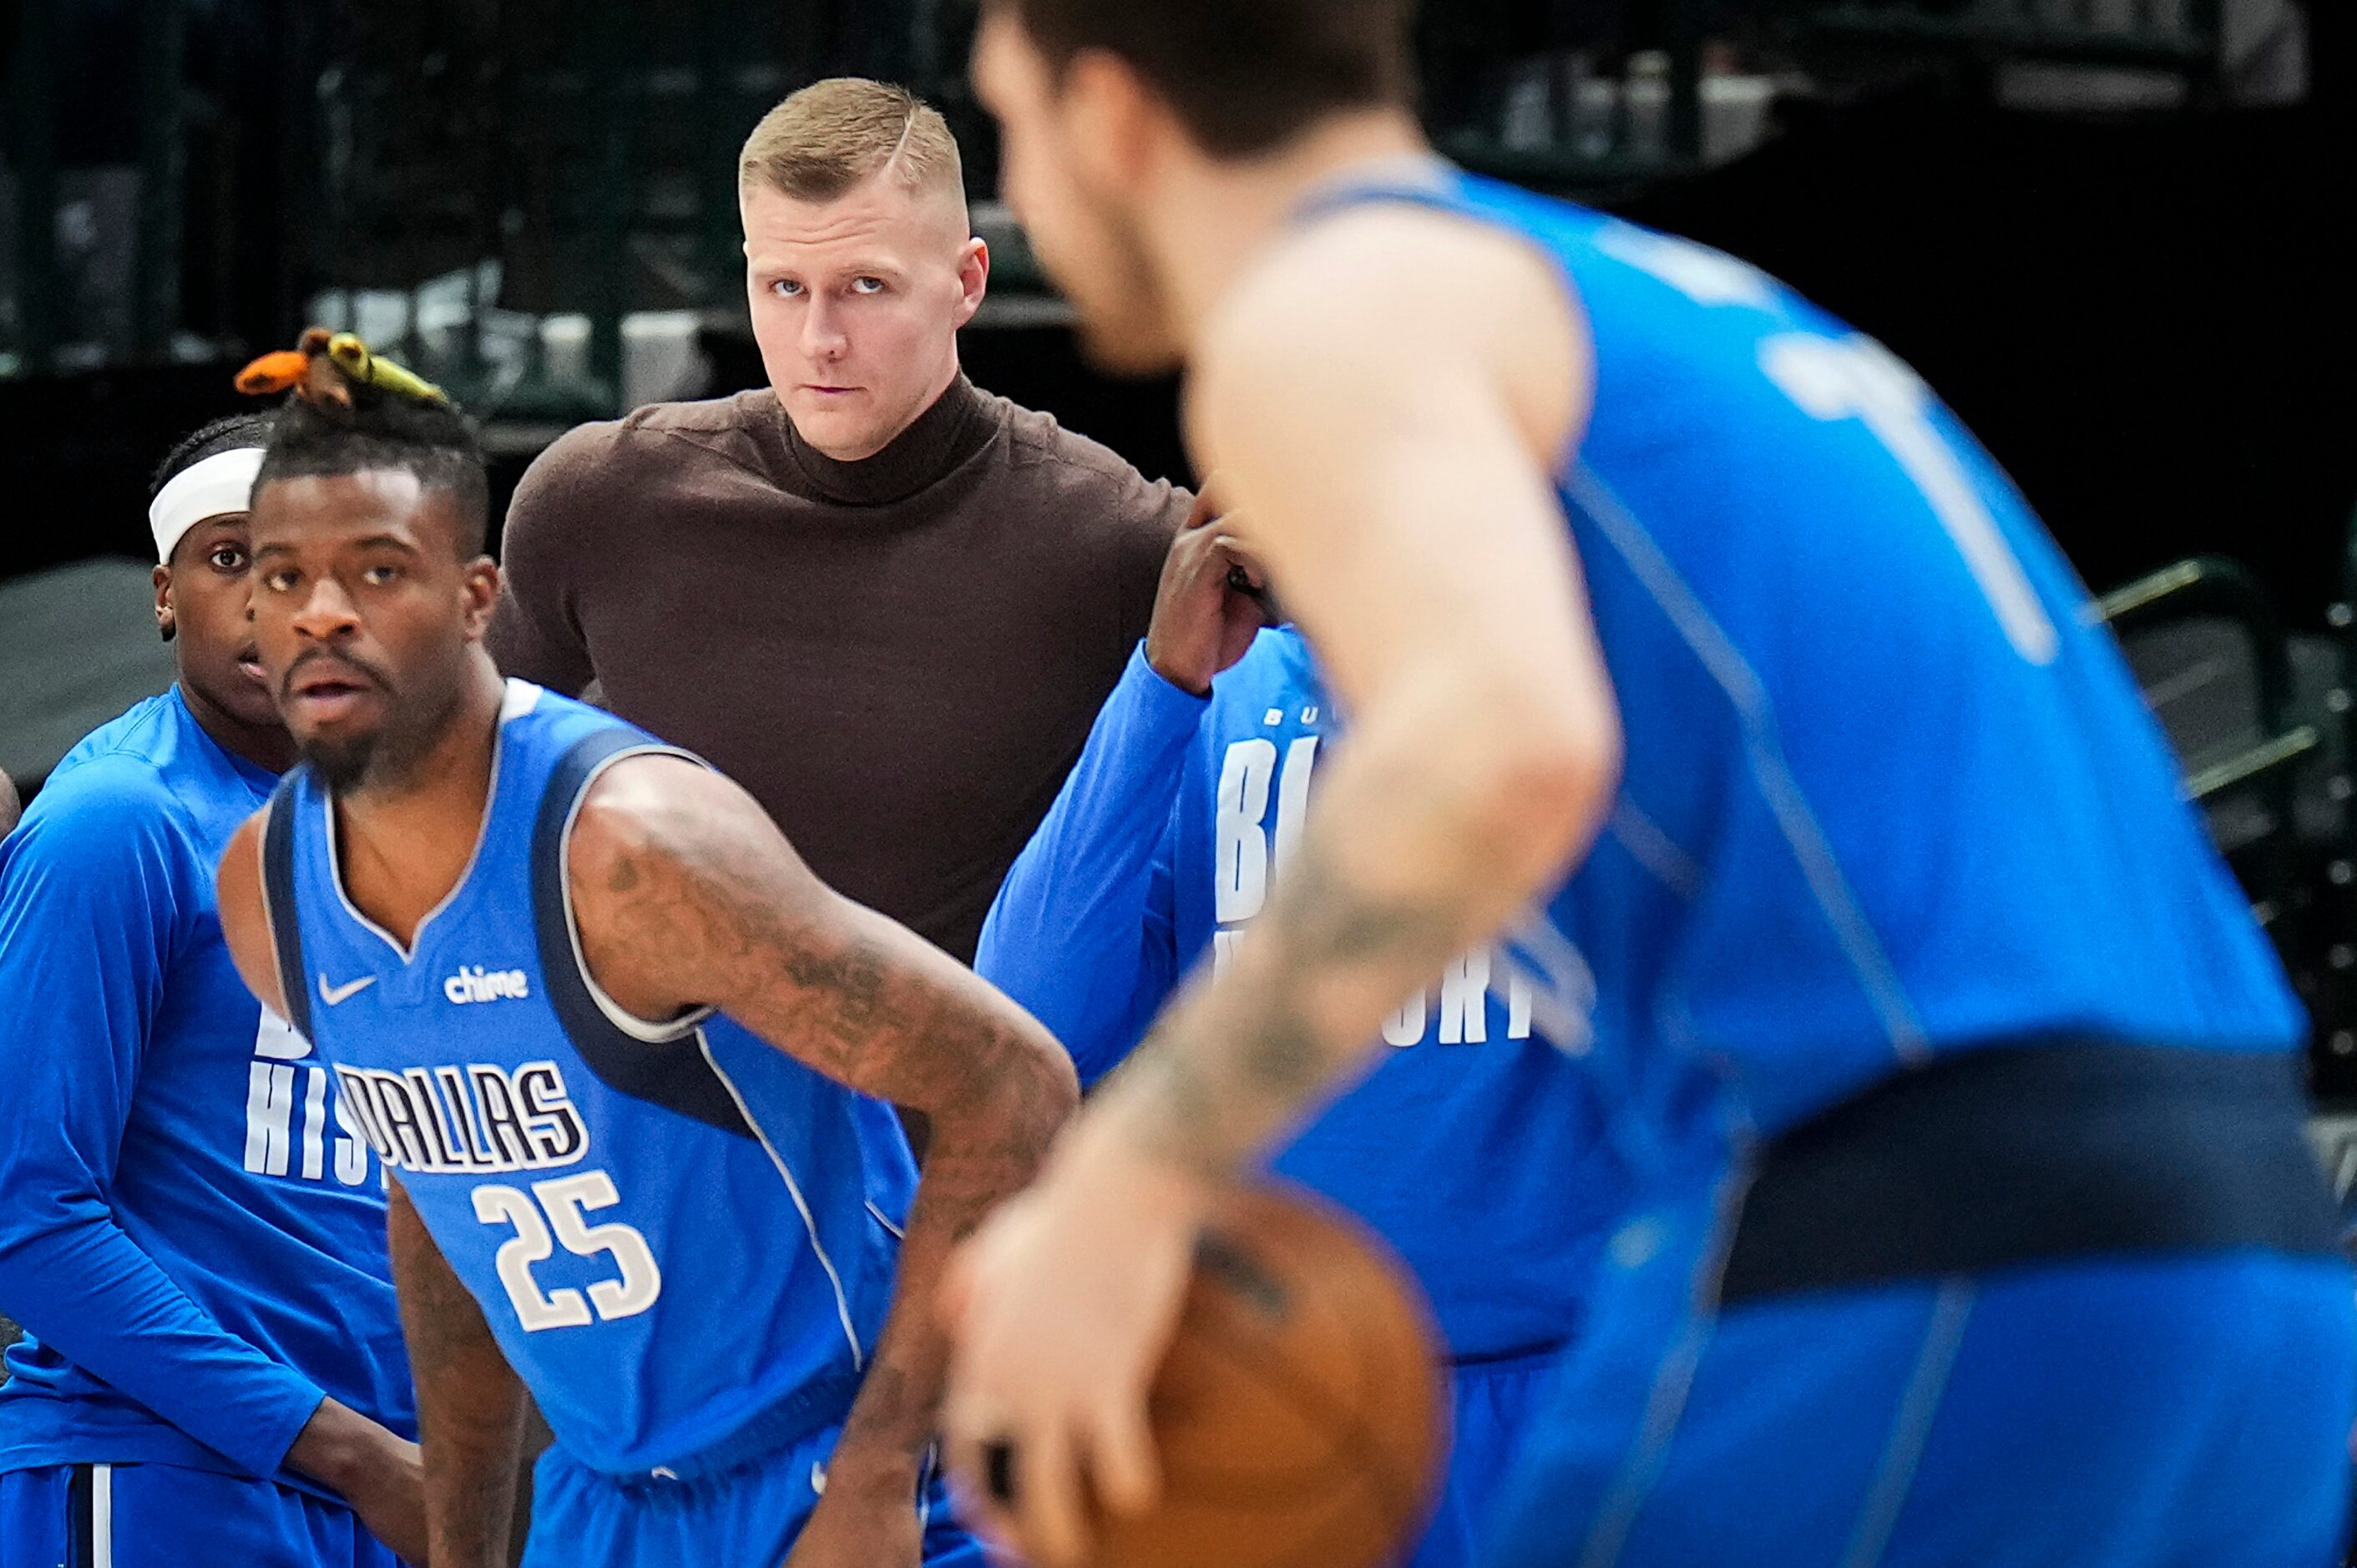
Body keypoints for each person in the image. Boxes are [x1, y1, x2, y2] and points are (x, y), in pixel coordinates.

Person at [943, 3, 2357, 1565]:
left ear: (1111, 116)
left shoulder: (1330, 301)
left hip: (1929, 1221)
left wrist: (1131, 1177)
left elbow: (1501, 743)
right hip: (2239, 1232)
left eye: (1007, 117)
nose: (1025, 179)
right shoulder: (1662, 304)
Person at [213, 358, 1078, 1568]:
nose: (321, 614)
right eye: (281, 576)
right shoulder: (269, 889)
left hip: (847, 1459)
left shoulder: (633, 852)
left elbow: (1014, 1080)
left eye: (375, 570)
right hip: (606, 1494)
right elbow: (440, 1199)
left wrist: (879, 1473)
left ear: (475, 598)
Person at [974, 503, 1631, 1566]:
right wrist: (1162, 683)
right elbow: (1027, 1019)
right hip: (1270, 1375)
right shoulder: (1223, 700)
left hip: (1563, 1378)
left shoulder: (1575, 694)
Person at [490, 76, 1189, 967]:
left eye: (865, 285)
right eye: (783, 285)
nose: (819, 337)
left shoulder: (1108, 537)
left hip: (975, 1094)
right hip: (666, 1098)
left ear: (967, 281)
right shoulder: (598, 502)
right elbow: (466, 806)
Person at [0, 415, 423, 1565]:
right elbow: (27, 1214)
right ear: (163, 594)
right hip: (163, 1466)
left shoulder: (425, 836)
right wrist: (347, 1450)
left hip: (392, 1476)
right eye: (233, 559)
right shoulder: (119, 819)